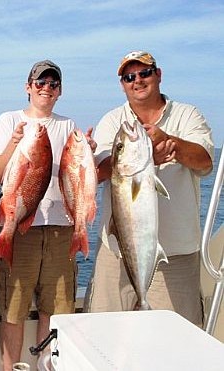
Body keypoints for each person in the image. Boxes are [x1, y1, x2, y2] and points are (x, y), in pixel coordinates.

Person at [84, 51, 214, 326]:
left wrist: (172, 144)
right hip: (117, 252)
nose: (137, 81)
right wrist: (141, 161)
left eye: (144, 73)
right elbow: (98, 173)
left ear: (158, 74)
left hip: (176, 254)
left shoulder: (187, 115)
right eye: (129, 77)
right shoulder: (111, 120)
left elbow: (205, 162)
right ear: (122, 84)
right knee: (103, 335)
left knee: (176, 342)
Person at [0, 60, 92, 371]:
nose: (47, 88)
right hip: (18, 228)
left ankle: (47, 367)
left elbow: (77, 177)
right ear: (28, 87)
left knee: (55, 308)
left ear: (60, 91)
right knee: (14, 309)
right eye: (40, 82)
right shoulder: (8, 121)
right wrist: (15, 143)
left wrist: (86, 153)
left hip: (62, 228)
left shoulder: (69, 127)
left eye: (53, 84)